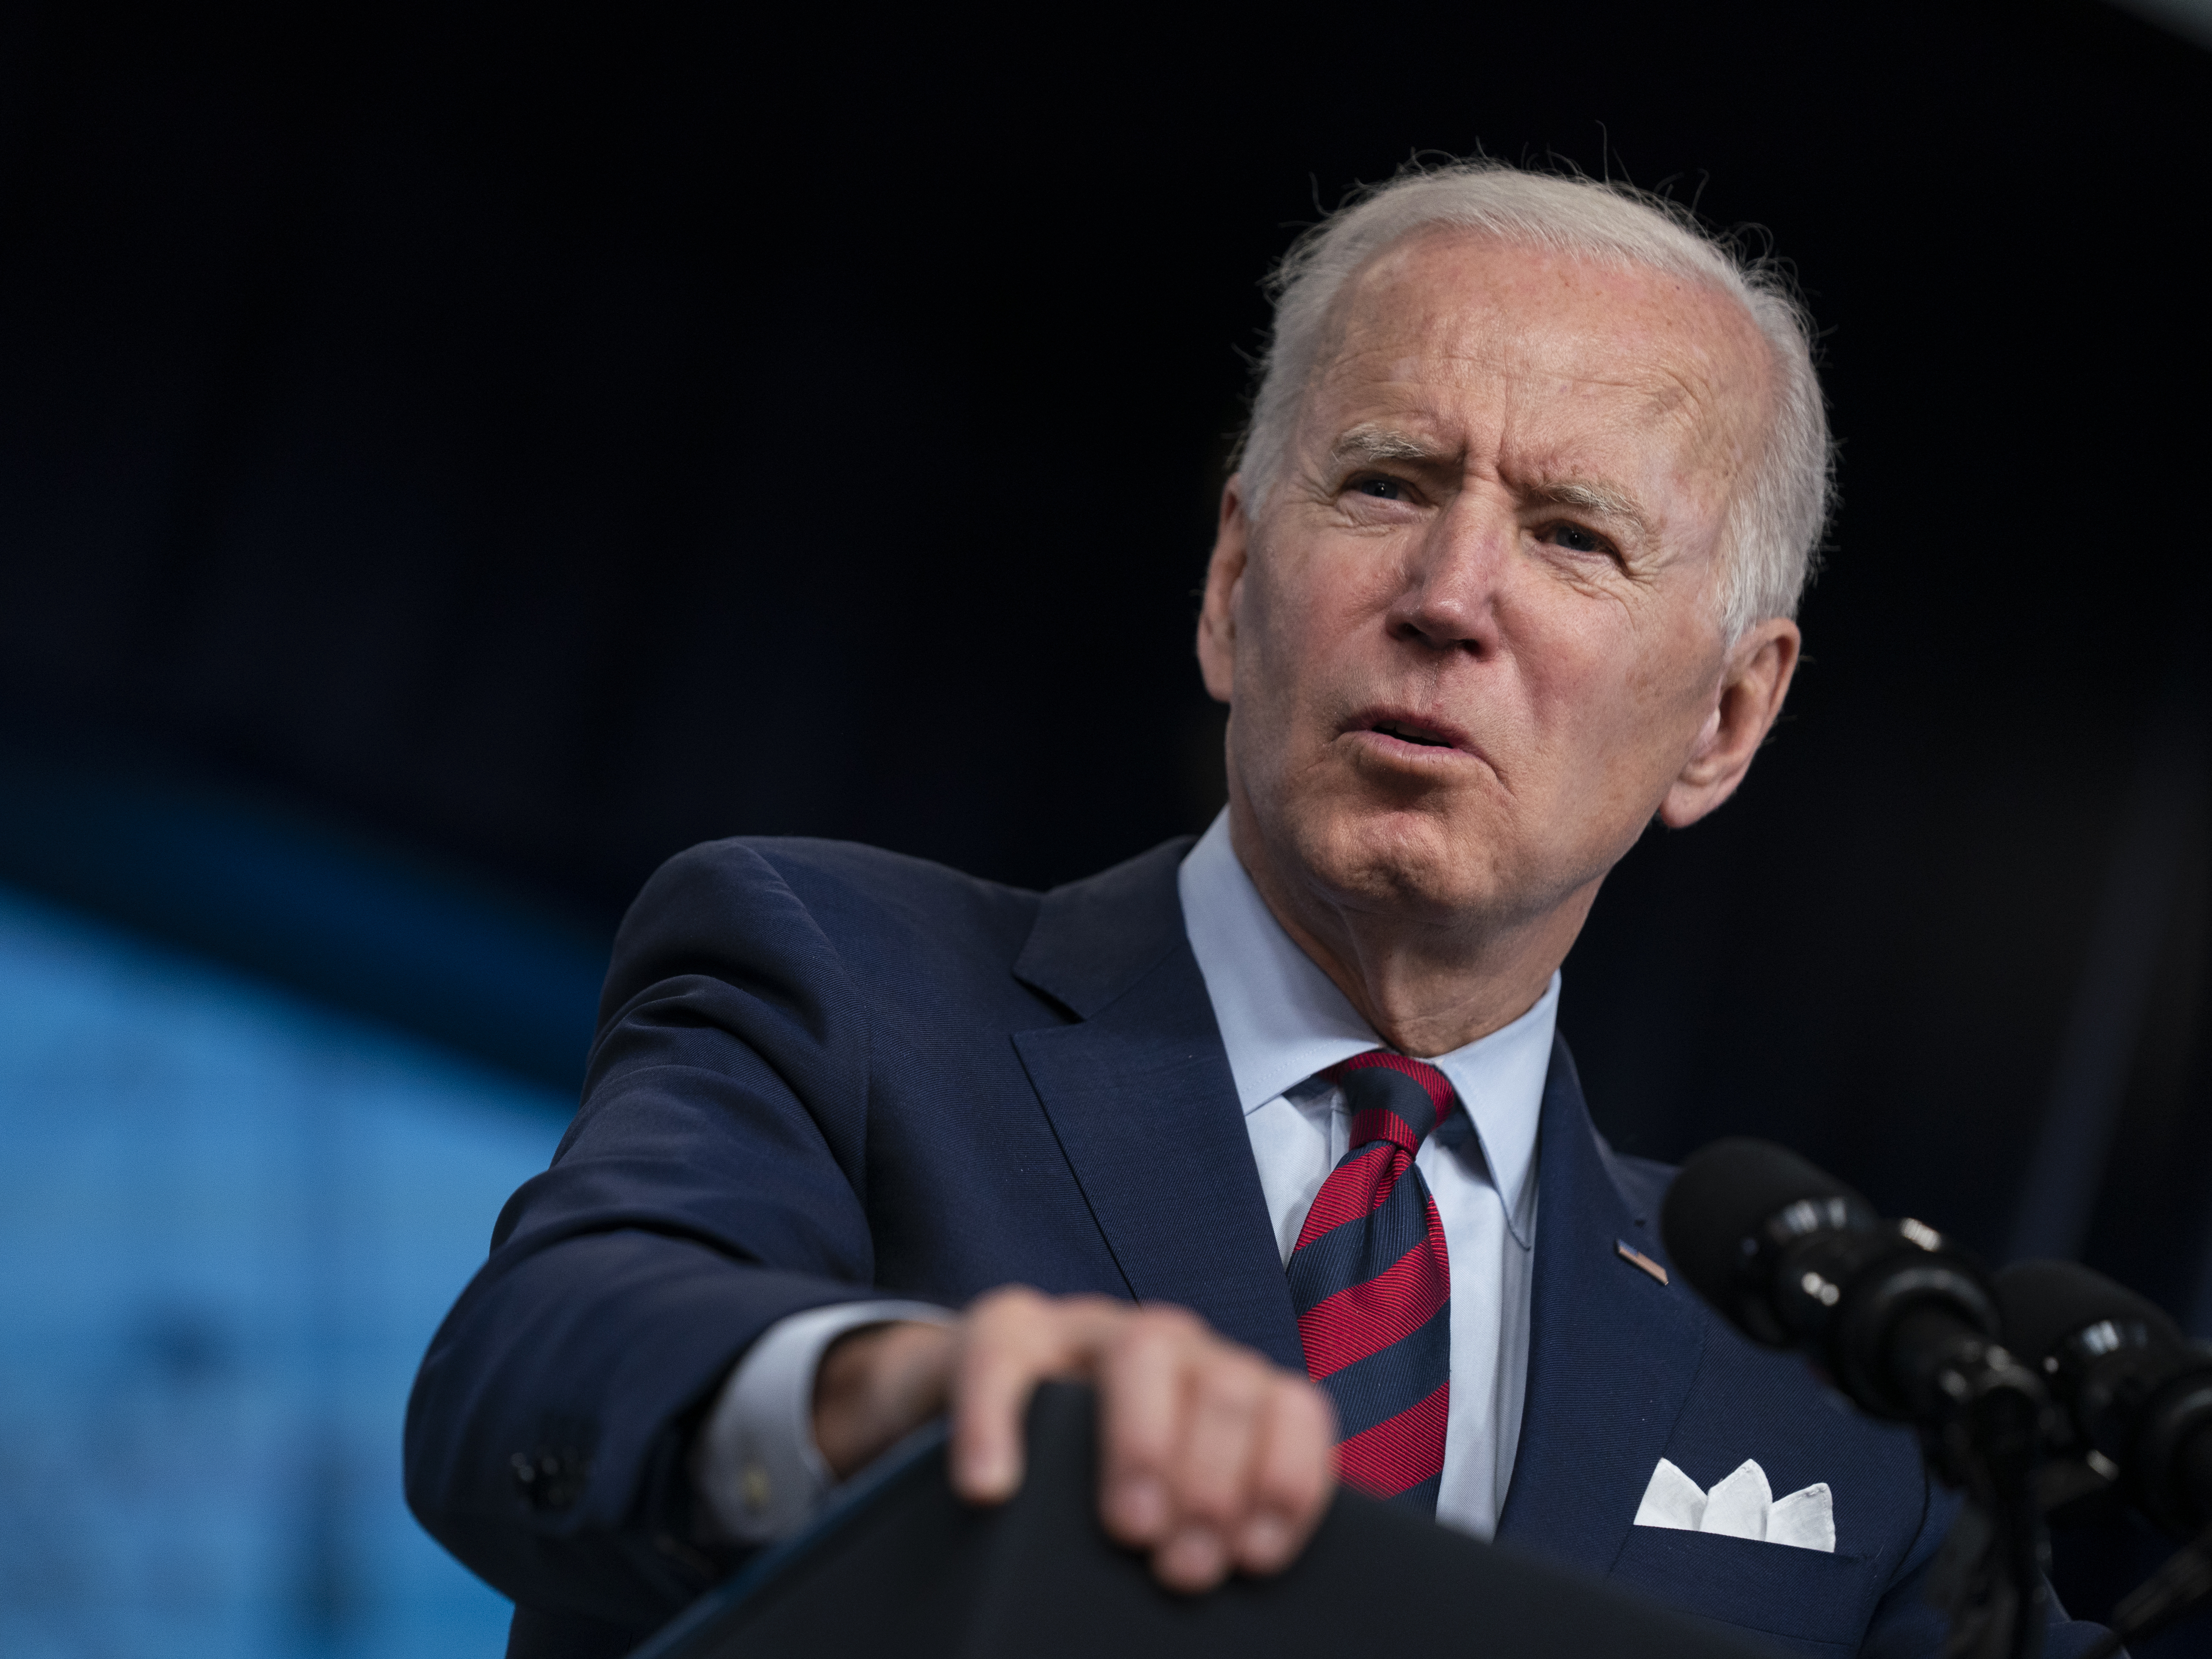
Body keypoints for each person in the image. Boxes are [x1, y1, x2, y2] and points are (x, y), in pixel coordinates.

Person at [405, 161, 2106, 1658]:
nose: (1450, 600)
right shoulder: (841, 979)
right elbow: (537, 1366)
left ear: (1727, 721)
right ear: (1233, 585)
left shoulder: (1834, 1388)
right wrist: (881, 1401)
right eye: (1383, 485)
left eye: (1575, 536)